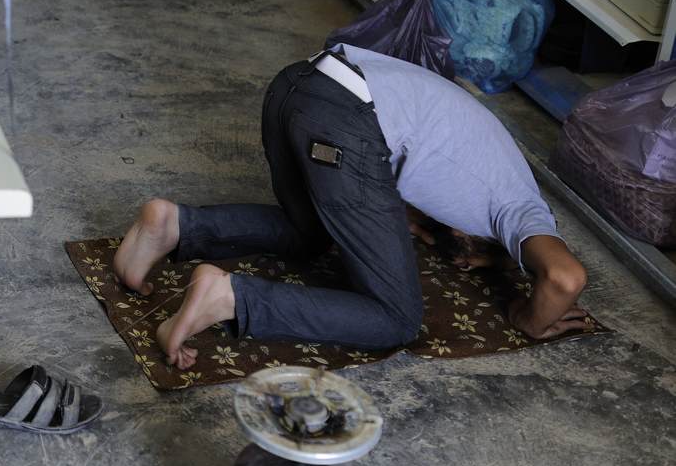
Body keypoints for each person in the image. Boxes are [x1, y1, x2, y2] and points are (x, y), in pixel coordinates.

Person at [112, 45, 589, 370]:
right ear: (496, 243)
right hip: (345, 120)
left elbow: (389, 192)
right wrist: (527, 316)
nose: (460, 263)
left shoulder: (478, 159)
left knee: (315, 232)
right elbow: (565, 278)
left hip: (295, 88)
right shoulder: (522, 205)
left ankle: (175, 225)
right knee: (396, 319)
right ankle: (231, 297)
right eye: (472, 257)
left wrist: (412, 226)